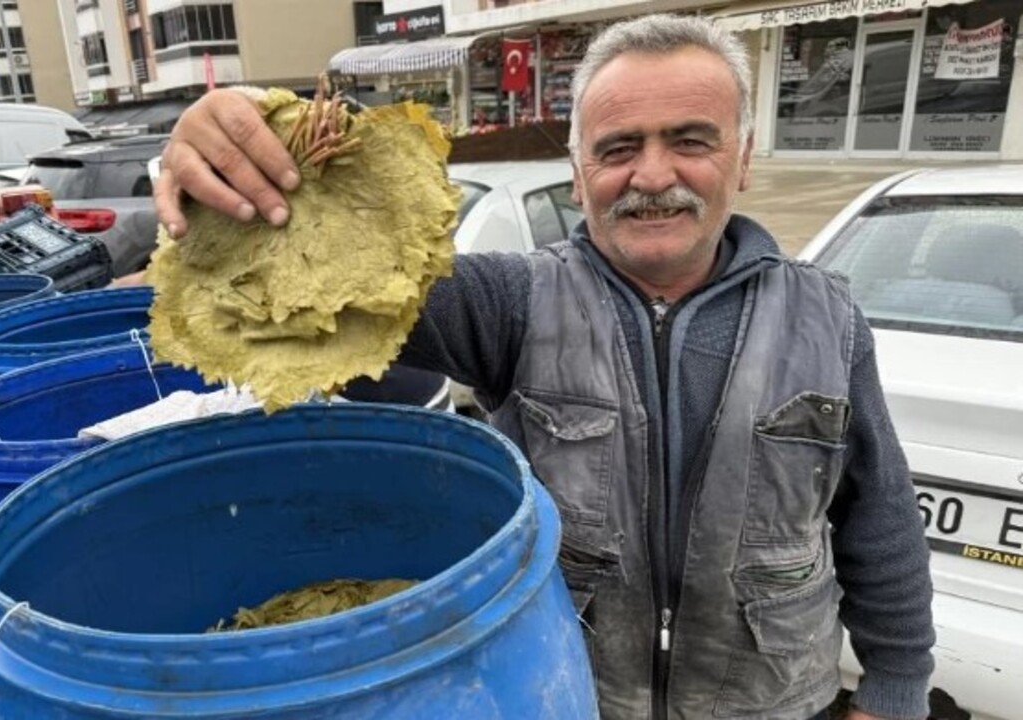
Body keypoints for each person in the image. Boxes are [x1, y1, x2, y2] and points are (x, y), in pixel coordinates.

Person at [153, 15, 935, 720]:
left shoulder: (828, 319)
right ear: (578, 169)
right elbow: (331, 282)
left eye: (690, 140)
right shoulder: (512, 300)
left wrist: (895, 689)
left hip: (772, 704)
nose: (653, 176)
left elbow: (879, 518)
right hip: (569, 696)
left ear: (743, 160)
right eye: (618, 148)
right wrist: (230, 143)